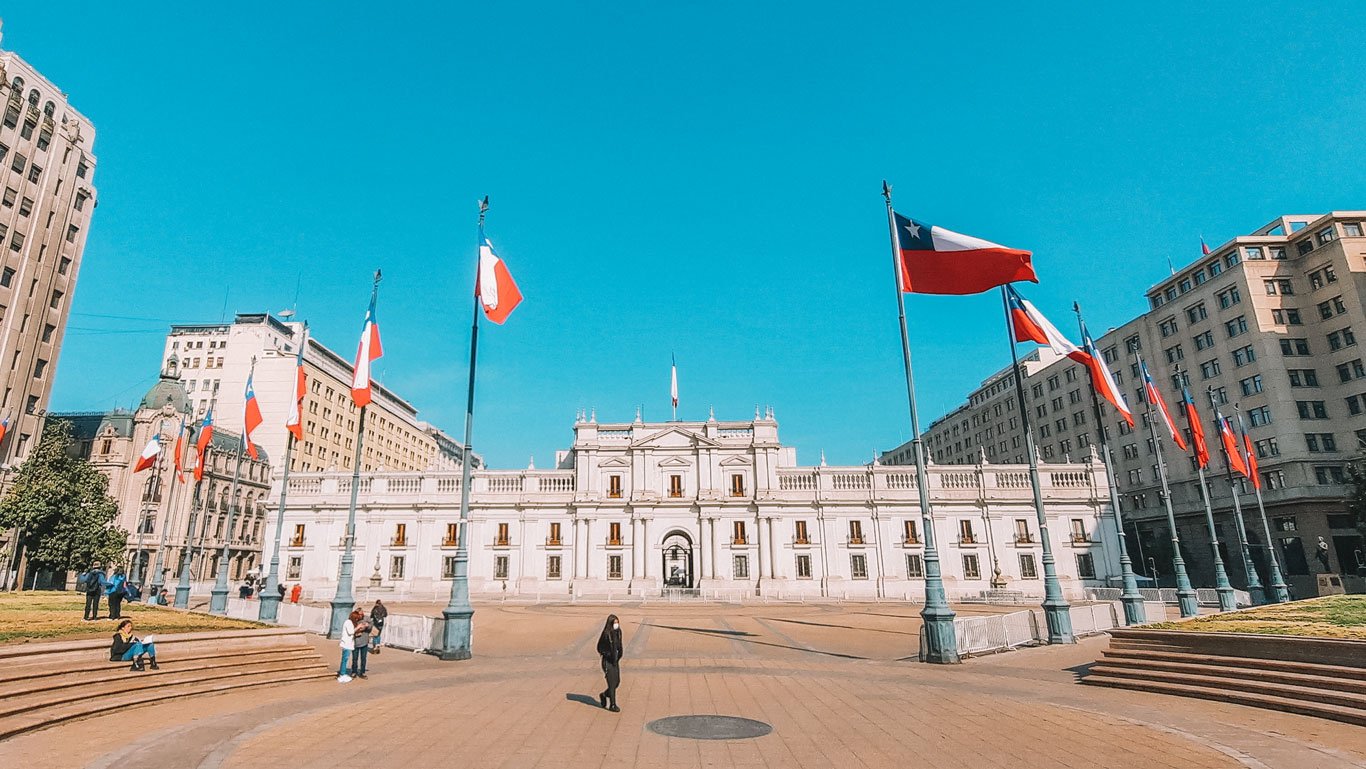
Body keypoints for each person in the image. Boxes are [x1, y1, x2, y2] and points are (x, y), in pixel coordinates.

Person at [596, 614, 624, 712]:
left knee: (617, 682)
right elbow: (599, 648)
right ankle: (612, 704)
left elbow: (619, 645)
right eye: (615, 623)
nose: (617, 624)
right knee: (612, 683)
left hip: (615, 661)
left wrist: (619, 655)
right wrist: (608, 654)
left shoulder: (618, 632)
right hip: (607, 661)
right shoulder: (606, 634)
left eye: (617, 622)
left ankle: (604, 695)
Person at [337, 609, 361, 683]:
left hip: (348, 644)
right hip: (346, 644)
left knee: (345, 659)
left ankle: (343, 673)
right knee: (345, 659)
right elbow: (350, 632)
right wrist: (358, 627)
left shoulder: (349, 622)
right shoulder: (348, 622)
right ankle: (342, 674)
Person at [350, 609, 373, 679]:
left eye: (362, 614)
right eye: (359, 614)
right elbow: (351, 629)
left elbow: (371, 626)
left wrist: (367, 626)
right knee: (354, 658)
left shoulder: (367, 618)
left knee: (363, 658)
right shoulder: (353, 619)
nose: (361, 616)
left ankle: (362, 672)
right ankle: (354, 671)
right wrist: (358, 628)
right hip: (355, 641)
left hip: (364, 641)